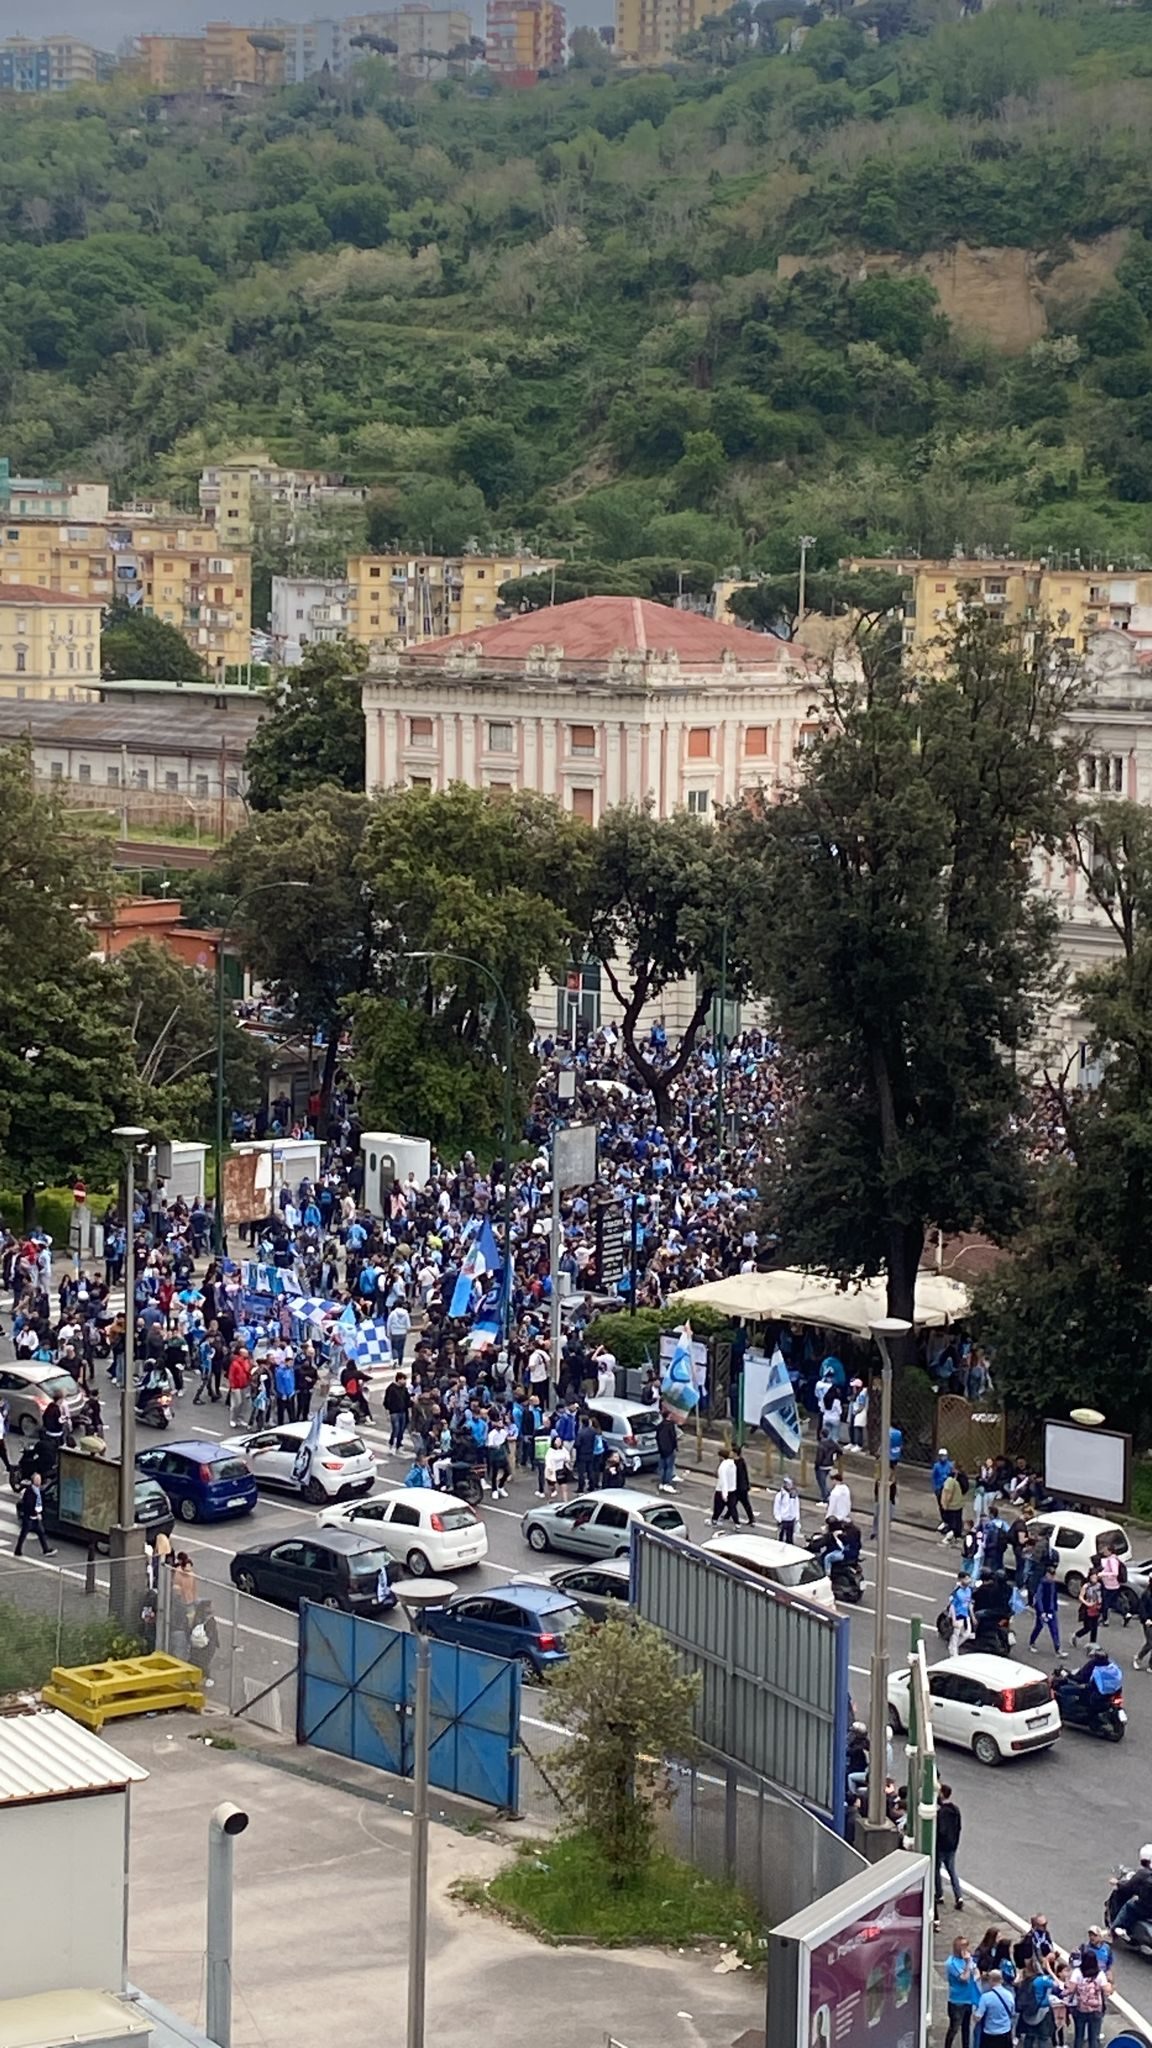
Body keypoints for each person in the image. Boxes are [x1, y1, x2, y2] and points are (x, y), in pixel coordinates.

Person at [1065, 1951, 1109, 2048]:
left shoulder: (1077, 1972)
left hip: (1080, 2008)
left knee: (1079, 2036)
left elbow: (1070, 1990)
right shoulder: (1100, 1974)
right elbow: (1107, 1991)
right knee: (1093, 2037)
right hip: (1096, 2009)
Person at [1109, 1847, 1152, 1943]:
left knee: (1129, 1905)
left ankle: (1113, 1931)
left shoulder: (1143, 1873)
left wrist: (1117, 1883)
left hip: (1146, 1909)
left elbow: (1127, 1887)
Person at [945, 1935, 980, 2048]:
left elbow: (976, 1971)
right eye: (964, 1947)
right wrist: (968, 1963)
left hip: (968, 1999)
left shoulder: (968, 1959)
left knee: (966, 2027)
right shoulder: (951, 1963)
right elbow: (964, 1978)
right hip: (957, 2001)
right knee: (954, 2028)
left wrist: (975, 1975)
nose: (967, 1950)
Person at [13, 1470, 55, 1556]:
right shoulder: (30, 1491)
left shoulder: (38, 1490)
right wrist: (36, 1513)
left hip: (35, 1518)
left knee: (41, 1533)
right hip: (29, 1517)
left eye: (39, 1479)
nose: (39, 1481)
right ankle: (18, 1550)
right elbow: (29, 1504)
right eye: (37, 1479)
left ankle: (46, 1550)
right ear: (33, 1481)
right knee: (23, 1534)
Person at [936, 1784, 963, 1911]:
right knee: (952, 1871)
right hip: (952, 1846)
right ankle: (959, 1896)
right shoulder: (956, 1810)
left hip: (941, 1847)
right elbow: (959, 1827)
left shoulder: (941, 1812)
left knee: (937, 1870)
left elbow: (940, 1830)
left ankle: (939, 1894)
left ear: (941, 1794)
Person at [974, 1969, 1015, 2047]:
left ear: (990, 1980)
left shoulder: (985, 1997)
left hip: (990, 2033)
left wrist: (975, 2013)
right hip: (1005, 2032)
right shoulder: (1009, 1995)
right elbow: (1012, 2012)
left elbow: (978, 2017)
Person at [1030, 1566, 1061, 1653]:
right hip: (1044, 1610)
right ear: (1047, 1574)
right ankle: (1032, 1642)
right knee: (1039, 1626)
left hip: (1051, 1610)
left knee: (1054, 1628)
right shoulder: (1042, 1584)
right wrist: (1041, 1611)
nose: (1052, 1577)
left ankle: (1057, 1648)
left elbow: (1054, 1596)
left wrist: (1054, 1607)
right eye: (1051, 1575)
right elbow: (1039, 1598)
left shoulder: (1053, 1584)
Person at [1072, 1569, 1104, 1646]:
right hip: (1087, 1609)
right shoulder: (1086, 1586)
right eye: (1093, 1577)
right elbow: (1080, 1597)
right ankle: (1076, 1635)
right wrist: (1087, 1603)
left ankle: (1092, 1644)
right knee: (1088, 1627)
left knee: (1095, 1627)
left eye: (1095, 1577)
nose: (1094, 1579)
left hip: (1096, 1608)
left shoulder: (1100, 1585)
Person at [947, 1574, 974, 1659]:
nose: (968, 1580)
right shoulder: (957, 1592)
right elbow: (952, 1606)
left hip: (965, 1615)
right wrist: (954, 1620)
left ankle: (953, 1646)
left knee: (967, 1633)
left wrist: (972, 1616)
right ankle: (953, 1652)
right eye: (966, 1578)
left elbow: (969, 1603)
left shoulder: (969, 1590)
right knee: (956, 1634)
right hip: (958, 1615)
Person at [711, 1448, 738, 1524]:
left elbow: (723, 1481)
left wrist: (724, 1494)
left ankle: (714, 1520)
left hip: (721, 1490)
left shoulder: (723, 1467)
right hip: (732, 1489)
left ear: (721, 1457)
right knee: (732, 1507)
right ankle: (737, 1523)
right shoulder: (733, 1465)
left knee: (718, 1506)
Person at [655, 1411, 679, 1493]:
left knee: (663, 1467)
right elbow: (673, 1437)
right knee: (669, 1467)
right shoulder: (670, 1425)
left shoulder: (660, 1426)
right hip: (669, 1449)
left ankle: (662, 1483)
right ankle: (667, 1484)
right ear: (669, 1416)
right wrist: (675, 1447)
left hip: (662, 1450)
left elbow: (657, 1437)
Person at [732, 1447, 755, 1526]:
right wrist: (747, 1484)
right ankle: (751, 1518)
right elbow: (745, 1474)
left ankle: (751, 1519)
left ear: (735, 1453)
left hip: (738, 1487)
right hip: (742, 1486)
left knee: (735, 1503)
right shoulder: (742, 1461)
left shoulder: (735, 1463)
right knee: (735, 1503)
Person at [932, 1448, 954, 1527]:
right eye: (941, 1456)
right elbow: (934, 1477)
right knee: (941, 1506)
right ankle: (944, 1520)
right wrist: (935, 1488)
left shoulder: (950, 1465)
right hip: (940, 1487)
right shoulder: (936, 1466)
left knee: (949, 1505)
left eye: (944, 1456)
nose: (943, 1457)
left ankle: (949, 1520)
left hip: (948, 1488)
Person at [774, 1477, 799, 1546]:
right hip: (783, 1520)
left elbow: (796, 1506)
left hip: (791, 1519)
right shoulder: (780, 1495)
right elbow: (777, 1507)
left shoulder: (794, 1495)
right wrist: (778, 1518)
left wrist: (797, 1518)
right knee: (781, 1538)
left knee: (790, 1538)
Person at [1134, 1579, 1152, 1671]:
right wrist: (1146, 1619)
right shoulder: (1146, 1594)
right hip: (1148, 1621)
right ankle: (1138, 1657)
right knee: (1150, 1643)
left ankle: (1151, 1665)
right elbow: (1142, 1608)